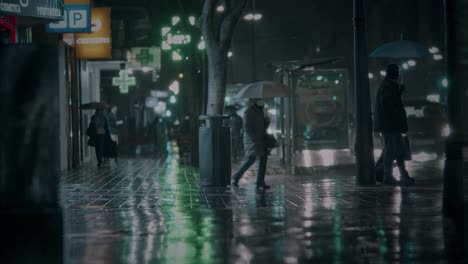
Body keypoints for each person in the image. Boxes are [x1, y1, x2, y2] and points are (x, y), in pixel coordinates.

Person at [374, 64, 415, 185]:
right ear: (393, 73)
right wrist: (399, 92)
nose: (398, 74)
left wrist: (399, 92)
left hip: (391, 125)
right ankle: (388, 176)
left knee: (398, 150)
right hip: (390, 125)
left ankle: (402, 175)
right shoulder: (388, 86)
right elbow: (390, 105)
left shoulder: (389, 86)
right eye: (397, 72)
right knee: (391, 150)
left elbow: (391, 102)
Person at [232, 99, 271, 190]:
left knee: (263, 159)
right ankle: (236, 177)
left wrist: (266, 122)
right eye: (260, 100)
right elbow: (246, 127)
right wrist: (253, 138)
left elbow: (262, 126)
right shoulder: (249, 111)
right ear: (255, 101)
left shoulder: (261, 111)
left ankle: (260, 182)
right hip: (252, 140)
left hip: (261, 139)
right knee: (251, 160)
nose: (262, 102)